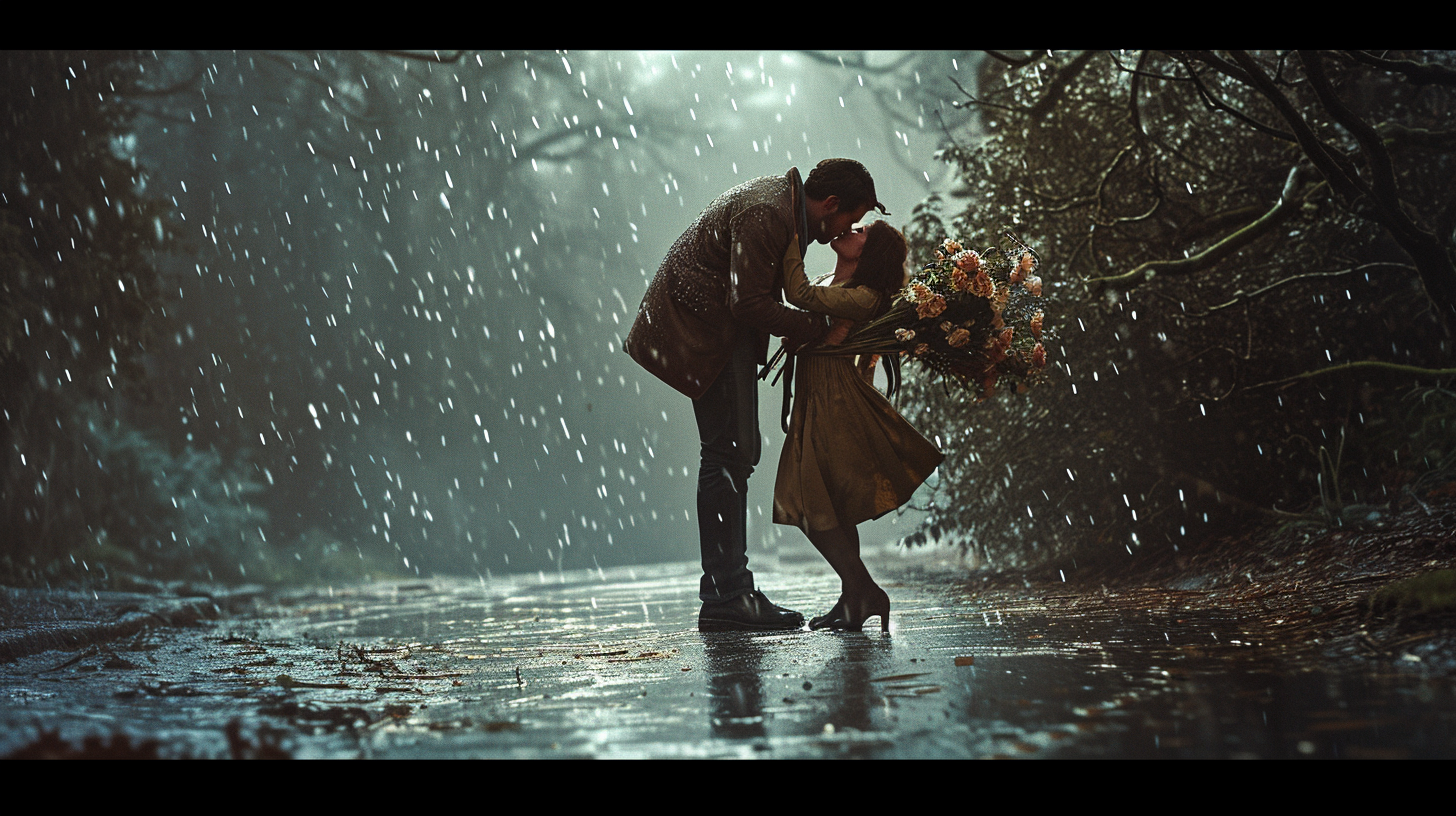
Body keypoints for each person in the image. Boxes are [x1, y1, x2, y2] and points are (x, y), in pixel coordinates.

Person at [625, 159, 884, 631]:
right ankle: (727, 595)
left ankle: (729, 591)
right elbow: (748, 302)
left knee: (734, 452)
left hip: (716, 328)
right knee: (729, 452)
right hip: (705, 330)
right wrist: (813, 326)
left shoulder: (782, 207)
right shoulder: (769, 213)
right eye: (852, 216)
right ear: (830, 205)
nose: (850, 227)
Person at [774, 220, 944, 632]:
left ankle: (864, 589)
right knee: (831, 502)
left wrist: (788, 240)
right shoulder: (829, 281)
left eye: (863, 230)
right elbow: (820, 325)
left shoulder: (866, 296)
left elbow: (798, 295)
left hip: (835, 401)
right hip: (818, 400)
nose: (852, 228)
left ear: (870, 253)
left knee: (810, 504)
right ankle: (854, 598)